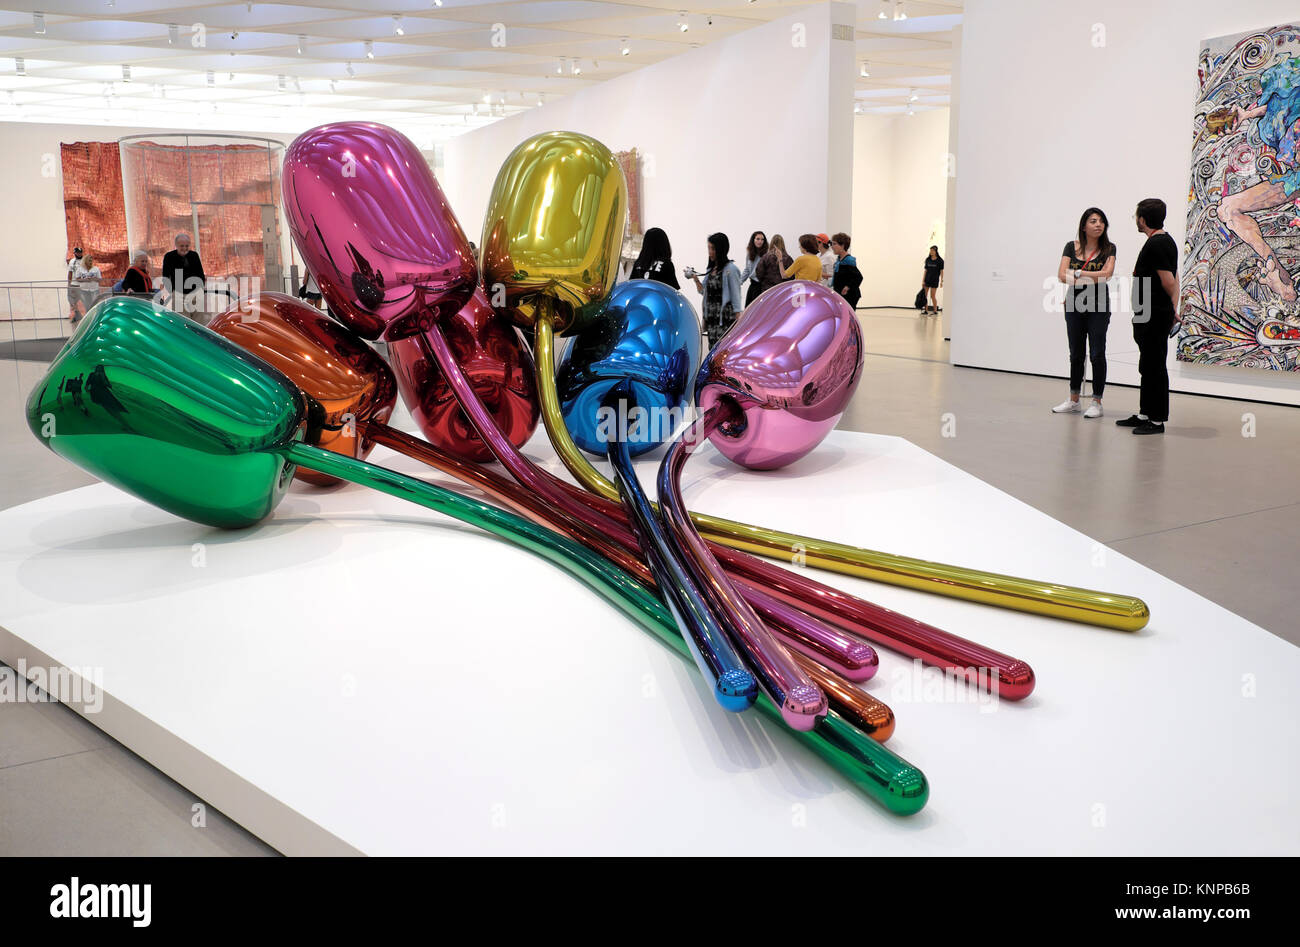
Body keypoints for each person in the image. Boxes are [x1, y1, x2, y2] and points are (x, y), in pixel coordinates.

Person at [1118, 198, 1180, 435]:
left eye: (1137, 216)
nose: (1136, 220)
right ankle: (1145, 413)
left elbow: (1169, 281)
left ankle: (1156, 420)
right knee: (1147, 365)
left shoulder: (1158, 244)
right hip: (1147, 313)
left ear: (1142, 219)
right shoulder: (1160, 242)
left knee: (1154, 366)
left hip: (1154, 315)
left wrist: (1174, 311)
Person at [1052, 208, 1116, 419]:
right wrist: (1089, 276)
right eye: (1093, 221)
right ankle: (1074, 400)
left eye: (1102, 222)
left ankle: (1097, 401)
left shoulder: (1109, 248)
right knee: (1076, 354)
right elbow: (1062, 276)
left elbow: (1106, 275)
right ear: (1083, 226)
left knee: (1097, 353)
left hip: (1098, 307)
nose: (1098, 225)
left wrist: (1078, 273)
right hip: (1073, 305)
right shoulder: (1071, 246)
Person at [687, 232, 742, 348]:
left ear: (721, 249)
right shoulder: (711, 269)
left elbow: (736, 298)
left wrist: (739, 324)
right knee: (712, 352)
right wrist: (695, 279)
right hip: (711, 321)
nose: (710, 252)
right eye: (709, 248)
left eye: (713, 248)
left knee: (722, 353)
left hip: (725, 322)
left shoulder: (731, 270)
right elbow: (703, 292)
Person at [162, 233, 206, 320]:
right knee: (183, 321)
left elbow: (200, 274)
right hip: (179, 294)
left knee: (199, 322)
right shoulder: (169, 256)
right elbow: (166, 276)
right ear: (176, 245)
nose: (185, 248)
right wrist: (173, 292)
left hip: (195, 293)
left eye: (187, 246)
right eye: (182, 246)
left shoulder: (194, 255)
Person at [830, 232, 862, 308]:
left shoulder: (848, 260)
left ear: (842, 246)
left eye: (834, 244)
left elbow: (858, 277)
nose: (832, 247)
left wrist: (847, 287)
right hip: (840, 294)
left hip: (849, 296)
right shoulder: (839, 260)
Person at [71, 252, 102, 323]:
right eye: (88, 261)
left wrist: (94, 278)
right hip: (84, 289)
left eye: (91, 261)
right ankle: (89, 318)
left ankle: (95, 318)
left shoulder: (96, 269)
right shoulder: (80, 269)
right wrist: (85, 279)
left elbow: (100, 279)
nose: (90, 262)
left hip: (94, 289)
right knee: (87, 304)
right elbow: (77, 278)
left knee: (94, 303)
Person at [739, 231, 768, 306]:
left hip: (762, 286)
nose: (760, 241)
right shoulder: (750, 253)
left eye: (762, 239)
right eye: (758, 239)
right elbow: (747, 270)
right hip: (753, 284)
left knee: (758, 311)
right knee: (748, 309)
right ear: (753, 240)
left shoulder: (767, 254)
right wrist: (739, 282)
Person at [921, 246, 944, 315]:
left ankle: (935, 310)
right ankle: (926, 310)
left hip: (935, 280)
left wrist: (941, 281)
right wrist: (923, 280)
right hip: (927, 280)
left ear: (936, 251)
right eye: (930, 250)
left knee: (932, 296)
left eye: (932, 251)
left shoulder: (940, 261)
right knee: (925, 295)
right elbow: (925, 271)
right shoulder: (928, 259)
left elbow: (941, 271)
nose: (931, 252)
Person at [66, 246, 84, 319]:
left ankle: (83, 315)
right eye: (77, 253)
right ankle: (75, 315)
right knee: (73, 300)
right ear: (75, 253)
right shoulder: (72, 261)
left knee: (82, 300)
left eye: (80, 253)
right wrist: (69, 283)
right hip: (74, 284)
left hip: (82, 284)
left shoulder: (84, 261)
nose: (79, 254)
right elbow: (70, 272)